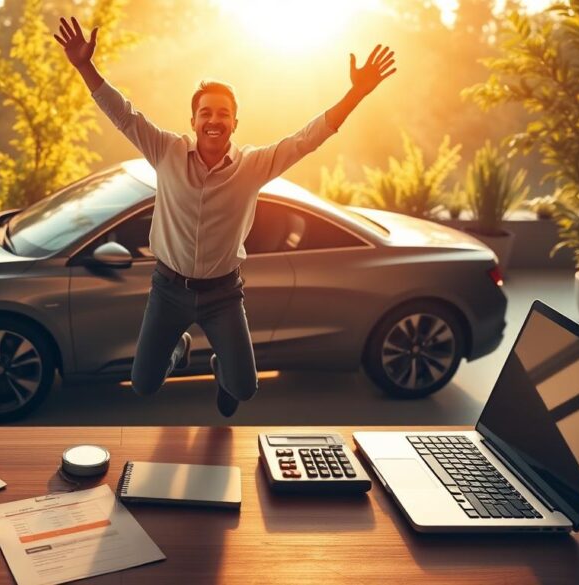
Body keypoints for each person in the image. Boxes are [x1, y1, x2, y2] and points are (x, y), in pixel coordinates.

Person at [54, 16, 396, 417]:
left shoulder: (253, 166)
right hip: (168, 291)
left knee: (244, 390)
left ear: (235, 122)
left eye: (223, 114)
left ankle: (223, 370)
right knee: (144, 386)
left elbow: (307, 139)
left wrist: (356, 93)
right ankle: (179, 346)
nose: (214, 120)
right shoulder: (165, 151)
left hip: (222, 295)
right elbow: (123, 114)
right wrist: (83, 66)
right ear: (193, 120)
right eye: (206, 113)